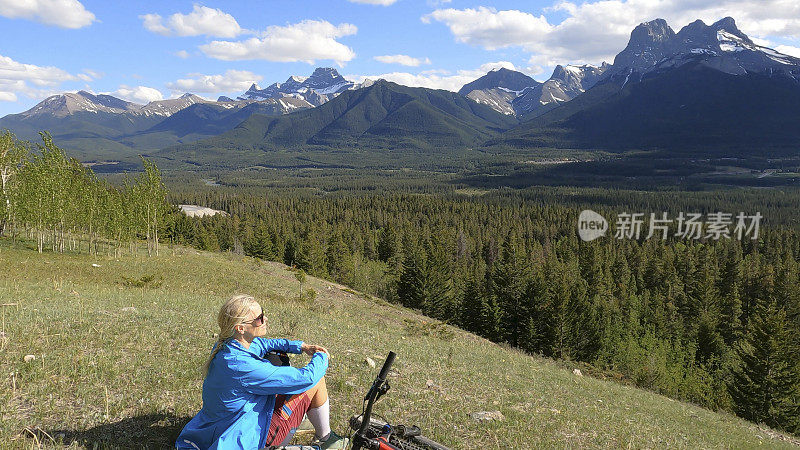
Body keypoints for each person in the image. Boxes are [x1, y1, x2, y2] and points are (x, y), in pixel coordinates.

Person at [176, 294, 349, 449]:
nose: (265, 319)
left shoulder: (227, 345)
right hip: (253, 437)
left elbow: (265, 344)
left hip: (228, 425)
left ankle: (305, 419)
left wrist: (300, 346)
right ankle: (326, 439)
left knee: (276, 356)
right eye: (259, 318)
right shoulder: (241, 366)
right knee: (317, 380)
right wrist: (322, 356)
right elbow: (306, 378)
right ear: (240, 328)